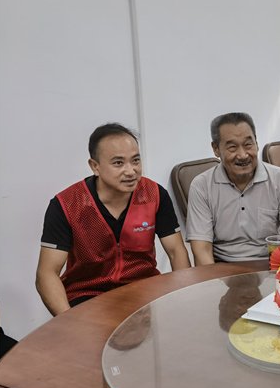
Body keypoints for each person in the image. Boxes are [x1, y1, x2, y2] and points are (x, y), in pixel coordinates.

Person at [36, 123, 191, 316]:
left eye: (135, 160)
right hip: (88, 295)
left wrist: (184, 299)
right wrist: (69, 321)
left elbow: (176, 251)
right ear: (95, 166)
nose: (131, 171)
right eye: (118, 163)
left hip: (144, 289)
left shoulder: (155, 195)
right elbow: (47, 273)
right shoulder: (66, 204)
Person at [186, 112, 280, 265]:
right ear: (216, 149)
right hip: (222, 267)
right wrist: (216, 280)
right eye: (232, 147)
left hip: (270, 264)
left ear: (257, 143)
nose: (243, 155)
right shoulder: (201, 186)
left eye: (248, 145)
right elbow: (202, 251)